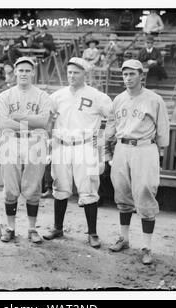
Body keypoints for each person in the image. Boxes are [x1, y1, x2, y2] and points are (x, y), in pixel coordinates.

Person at [43, 57, 113, 248]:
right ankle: (58, 227)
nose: (72, 76)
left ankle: (93, 233)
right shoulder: (57, 95)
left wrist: (100, 141)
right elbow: (47, 119)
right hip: (62, 145)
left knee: (88, 189)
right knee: (60, 187)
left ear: (85, 74)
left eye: (77, 72)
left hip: (85, 146)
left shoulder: (97, 96)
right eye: (70, 72)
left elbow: (112, 117)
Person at [106, 59, 170, 264]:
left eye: (132, 74)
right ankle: (124, 238)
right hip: (122, 148)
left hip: (144, 147)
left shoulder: (154, 99)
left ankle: (147, 247)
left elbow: (163, 132)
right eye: (125, 74)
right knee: (122, 193)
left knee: (145, 193)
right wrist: (108, 154)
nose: (128, 78)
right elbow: (110, 128)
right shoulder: (118, 99)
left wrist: (155, 155)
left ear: (141, 75)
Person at [0, 57, 52, 243]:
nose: (24, 74)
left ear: (33, 72)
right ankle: (10, 228)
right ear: (15, 72)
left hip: (35, 142)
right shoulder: (5, 95)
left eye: (28, 70)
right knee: (10, 188)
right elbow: (3, 122)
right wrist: (30, 122)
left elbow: (44, 121)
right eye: (21, 70)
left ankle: (31, 228)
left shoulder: (42, 95)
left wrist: (19, 117)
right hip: (10, 141)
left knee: (33, 187)